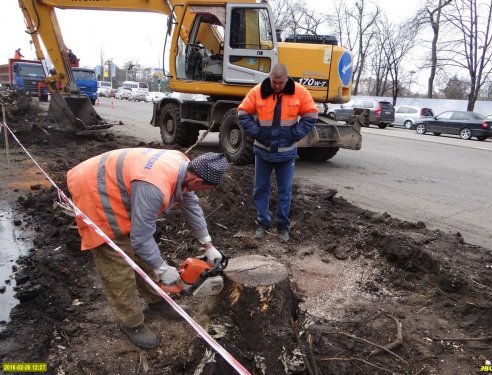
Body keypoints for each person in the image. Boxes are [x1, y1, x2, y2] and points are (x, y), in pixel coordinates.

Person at [66, 149, 229, 350]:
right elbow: (141, 237)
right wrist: (161, 268)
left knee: (143, 255)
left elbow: (191, 204)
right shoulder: (154, 186)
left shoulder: (184, 165)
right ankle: (131, 323)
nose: (202, 193)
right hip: (94, 191)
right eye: (206, 189)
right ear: (198, 180)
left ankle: (156, 302)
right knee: (118, 266)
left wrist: (208, 244)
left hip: (120, 186)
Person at [237, 63, 318, 242]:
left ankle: (282, 225)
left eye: (280, 83)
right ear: (270, 77)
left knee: (285, 191)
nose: (277, 86)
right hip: (262, 151)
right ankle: (263, 223)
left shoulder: (300, 92)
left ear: (287, 79)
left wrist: (295, 134)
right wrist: (257, 132)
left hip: (286, 153)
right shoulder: (259, 91)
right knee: (261, 189)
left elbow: (311, 114)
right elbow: (243, 112)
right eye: (274, 82)